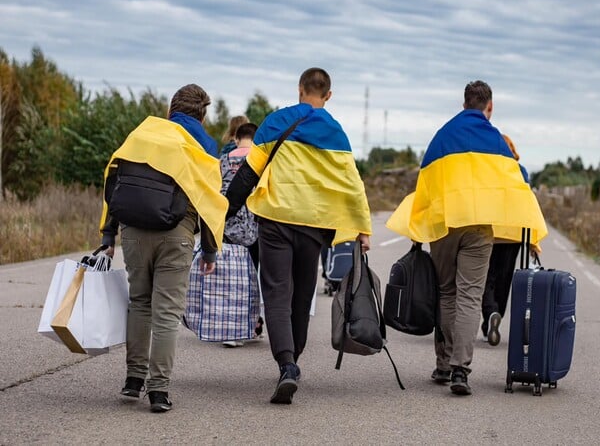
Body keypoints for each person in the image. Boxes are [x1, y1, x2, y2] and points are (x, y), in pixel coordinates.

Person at [386, 80, 547, 395]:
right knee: (471, 296)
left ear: (464, 104)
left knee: (447, 293)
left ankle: (443, 366)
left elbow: (426, 182)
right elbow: (520, 178)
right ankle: (461, 370)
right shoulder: (496, 141)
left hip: (446, 225)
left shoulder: (443, 136)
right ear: (490, 106)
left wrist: (419, 226)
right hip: (479, 228)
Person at [225, 67, 372, 405]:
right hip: (313, 224)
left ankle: (287, 364)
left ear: (300, 89)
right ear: (328, 95)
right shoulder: (336, 133)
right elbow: (353, 184)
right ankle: (293, 363)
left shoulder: (277, 121)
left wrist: (223, 215)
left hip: (276, 219)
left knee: (276, 292)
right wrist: (363, 229)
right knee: (302, 296)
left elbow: (249, 173)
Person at [99, 84, 227, 412]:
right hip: (177, 231)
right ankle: (158, 390)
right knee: (167, 312)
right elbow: (210, 199)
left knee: (139, 303)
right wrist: (210, 249)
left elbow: (112, 180)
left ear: (171, 109)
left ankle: (133, 380)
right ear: (202, 114)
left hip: (134, 232)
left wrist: (107, 235)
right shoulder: (203, 144)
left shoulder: (142, 133)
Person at [219, 122, 262, 348]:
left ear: (236, 139)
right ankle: (251, 324)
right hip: (255, 228)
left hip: (227, 226)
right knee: (251, 278)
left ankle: (229, 328)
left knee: (229, 279)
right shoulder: (260, 160)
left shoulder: (223, 161)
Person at [481, 134, 522, 346]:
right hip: (513, 234)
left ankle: (490, 314)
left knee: (485, 278)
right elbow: (528, 206)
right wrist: (533, 240)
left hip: (489, 230)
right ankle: (494, 319)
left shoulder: (487, 171)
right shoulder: (520, 172)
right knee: (504, 280)